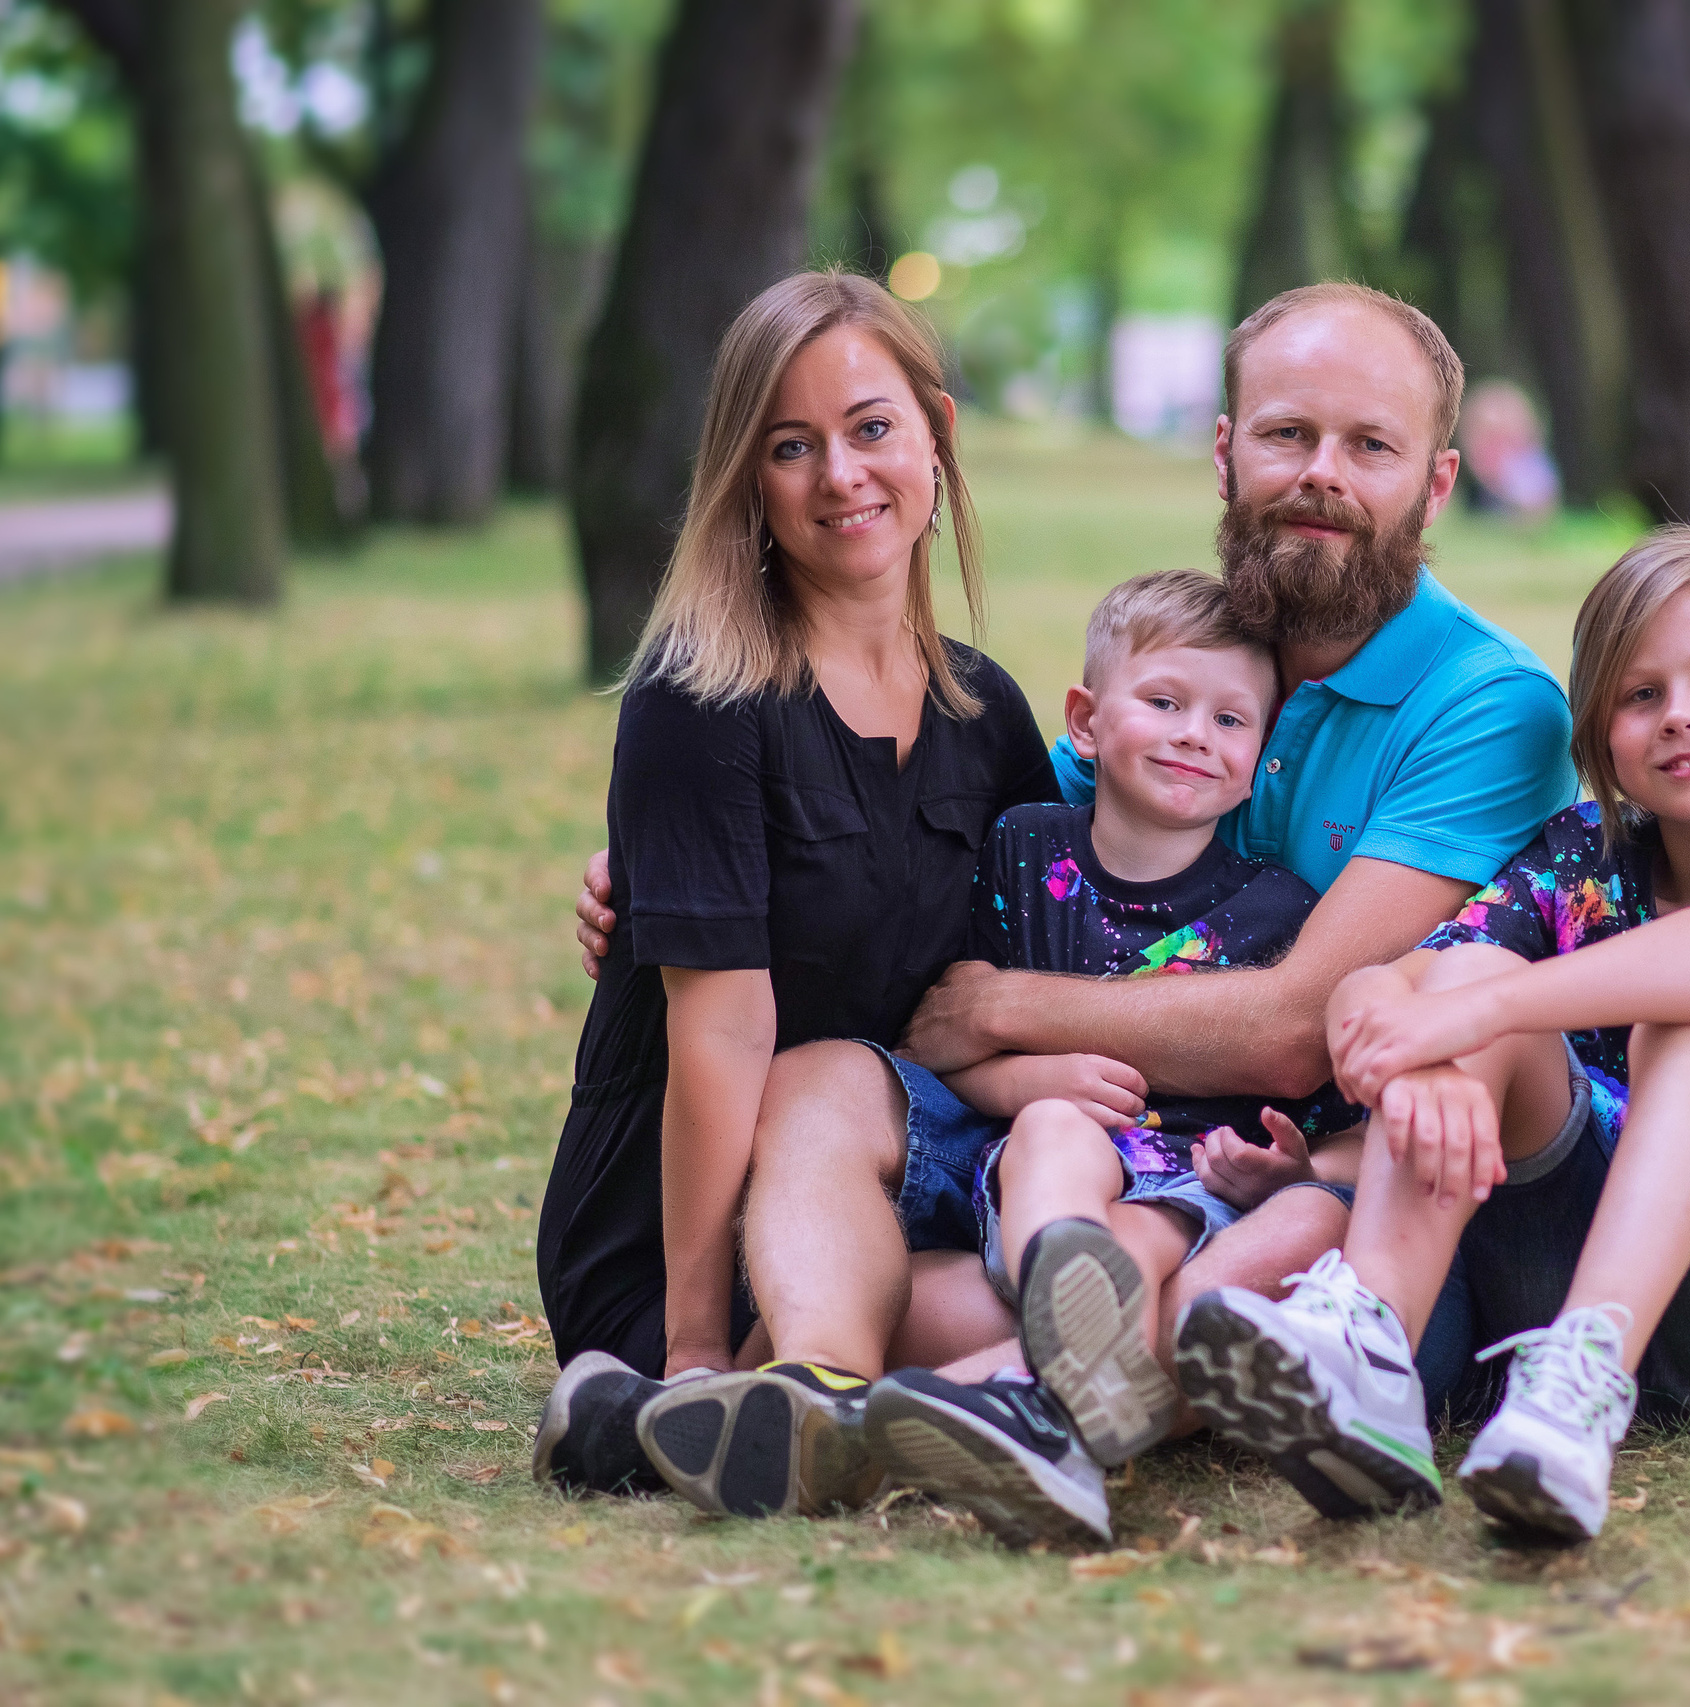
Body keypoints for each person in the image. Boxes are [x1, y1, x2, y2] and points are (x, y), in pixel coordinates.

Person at [570, 282, 1576, 1507]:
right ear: (1224, 454)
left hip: (1283, 1179)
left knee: (1248, 1220)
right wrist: (680, 879)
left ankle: (1008, 1400)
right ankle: (823, 1391)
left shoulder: (1488, 706)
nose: (1322, 474)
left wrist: (1004, 1017)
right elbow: (956, 858)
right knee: (847, 1101)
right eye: (1285, 434)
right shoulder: (1175, 679)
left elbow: (1294, 1028)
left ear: (1437, 481)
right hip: (1054, 1164)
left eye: (1369, 445)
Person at [1174, 526, 1690, 1543]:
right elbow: (1387, 982)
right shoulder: (1579, 855)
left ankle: (1582, 1384)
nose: (1681, 717)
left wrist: (1478, 1009)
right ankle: (1370, 1354)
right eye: (1639, 695)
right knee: (1472, 965)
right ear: (1599, 734)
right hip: (1540, 1312)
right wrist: (1411, 1037)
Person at [529, 271, 1059, 1514]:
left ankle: (681, 1428)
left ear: (936, 432)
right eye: (790, 446)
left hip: (890, 1188)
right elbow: (722, 1033)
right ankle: (686, 1399)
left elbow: (1057, 937)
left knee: (1070, 1294)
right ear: (746, 483)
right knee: (950, 1307)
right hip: (679, 1230)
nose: (841, 477)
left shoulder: (986, 716)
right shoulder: (702, 698)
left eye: (872, 427)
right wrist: (696, 1337)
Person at [851, 569, 1365, 1547]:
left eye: (1227, 720)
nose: (1191, 735)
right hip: (1044, 1184)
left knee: (1136, 1236)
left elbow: (1324, 1121)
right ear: (1085, 721)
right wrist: (1021, 1080)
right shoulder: (1019, 852)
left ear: (1260, 758)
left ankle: (987, 1404)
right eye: (1164, 702)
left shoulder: (1277, 910)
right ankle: (1058, 1287)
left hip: (1189, 1191)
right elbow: (942, 1036)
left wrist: (1279, 1170)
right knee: (1050, 1128)